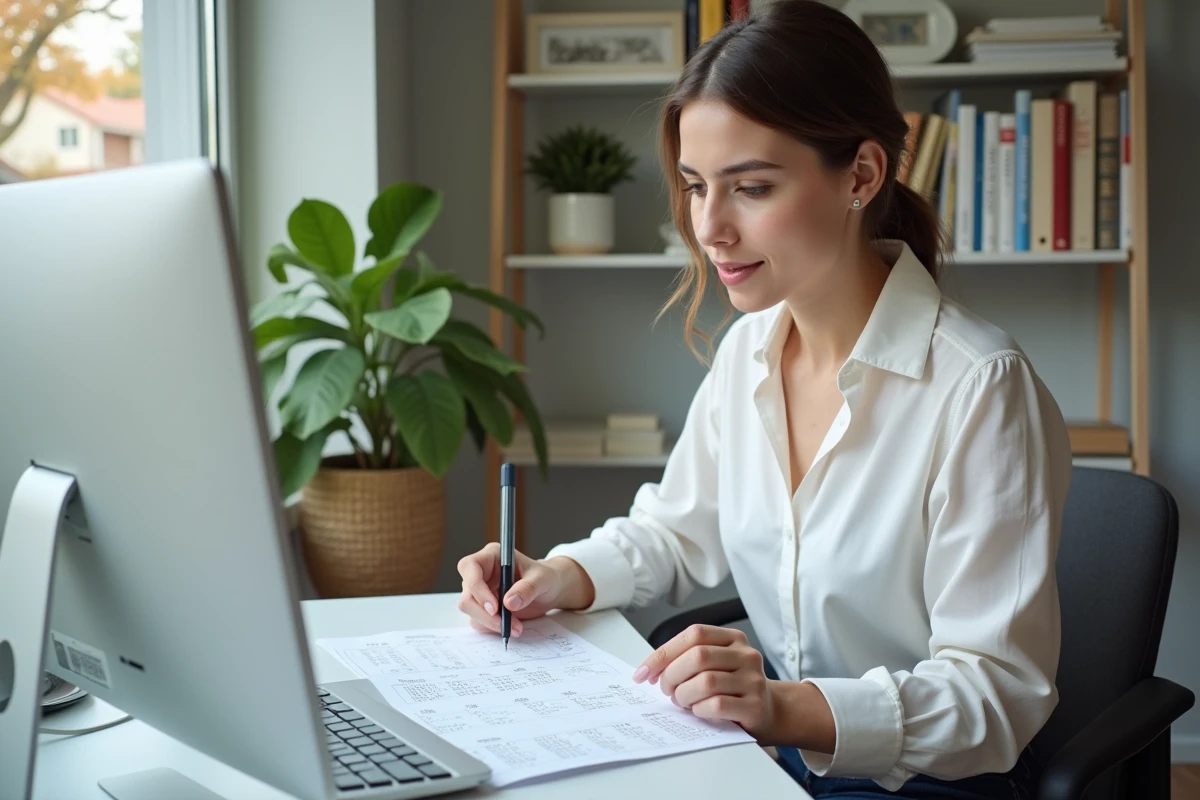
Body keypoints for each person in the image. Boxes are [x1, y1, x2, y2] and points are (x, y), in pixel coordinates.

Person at [457, 1, 1072, 797]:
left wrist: (783, 708)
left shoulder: (980, 388)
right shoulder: (749, 350)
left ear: (861, 174)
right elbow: (677, 533)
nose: (709, 227)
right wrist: (558, 574)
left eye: (749, 187)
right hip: (764, 755)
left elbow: (995, 698)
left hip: (923, 779)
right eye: (694, 186)